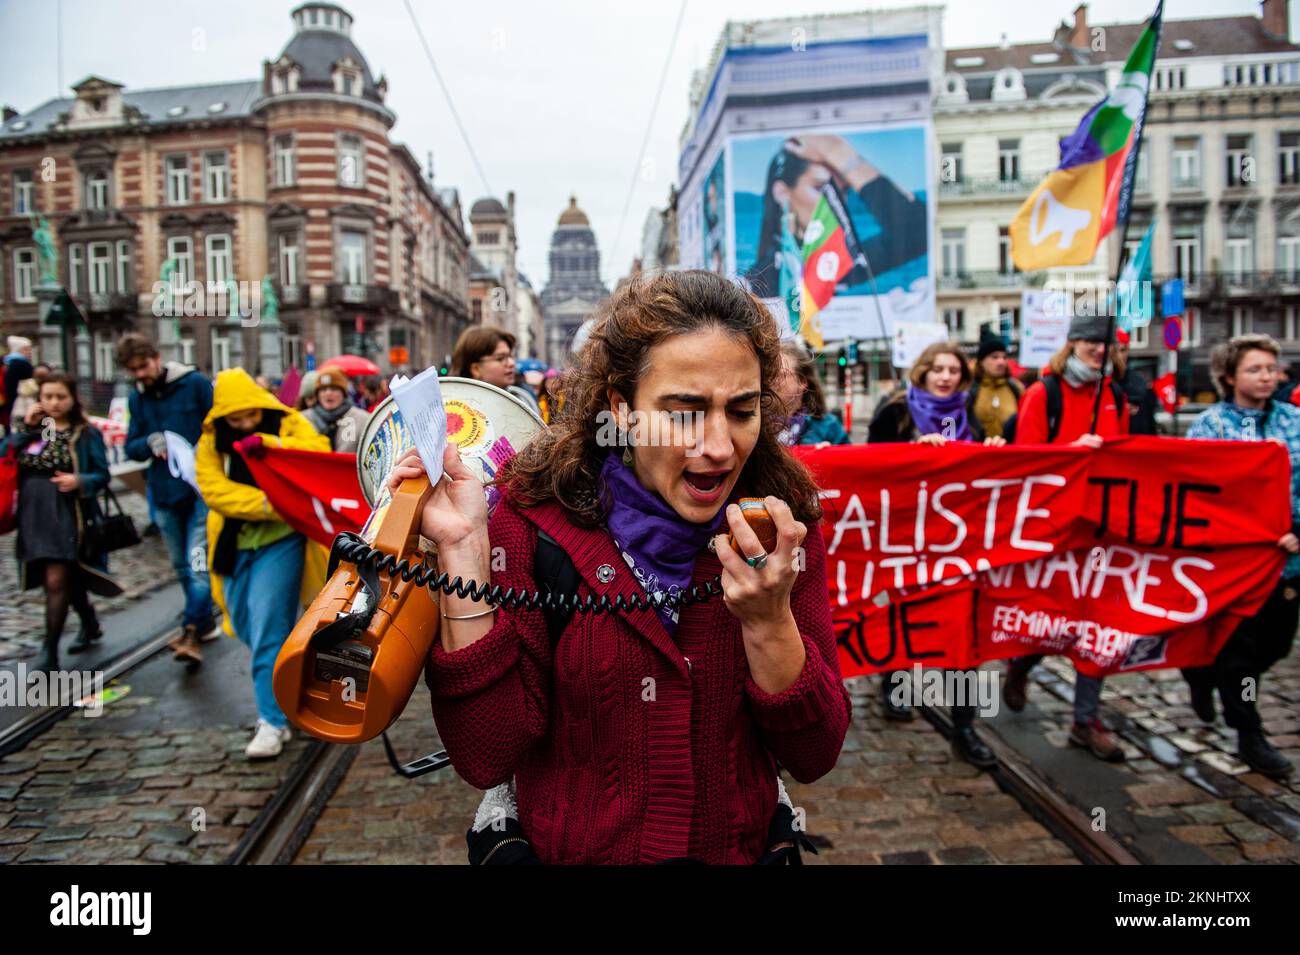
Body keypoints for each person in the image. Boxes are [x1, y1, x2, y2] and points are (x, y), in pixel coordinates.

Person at [391, 269, 851, 863]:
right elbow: (488, 752)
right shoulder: (530, 526)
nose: (716, 446)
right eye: (682, 411)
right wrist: (461, 555)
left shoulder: (781, 526)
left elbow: (815, 754)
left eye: (740, 411)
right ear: (621, 408)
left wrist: (769, 622)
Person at [865, 341, 1003, 767]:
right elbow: (869, 468)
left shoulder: (970, 420)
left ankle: (964, 727)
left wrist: (996, 456)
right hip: (906, 544)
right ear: (923, 372)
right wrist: (910, 455)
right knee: (903, 618)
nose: (946, 377)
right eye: (938, 369)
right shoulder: (895, 412)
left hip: (956, 550)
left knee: (961, 634)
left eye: (954, 370)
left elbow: (979, 480)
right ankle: (894, 682)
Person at [1005, 313, 1130, 762]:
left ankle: (1085, 719)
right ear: (1072, 343)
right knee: (1056, 617)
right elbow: (1027, 461)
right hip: (1056, 530)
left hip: (1102, 531)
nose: (1099, 351)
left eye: (1105, 344)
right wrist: (1072, 454)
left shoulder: (1114, 393)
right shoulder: (1046, 393)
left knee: (1097, 623)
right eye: (1090, 342)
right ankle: (1022, 664)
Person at [195, 369, 330, 758]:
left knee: (268, 627)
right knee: (243, 624)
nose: (242, 425)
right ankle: (293, 681)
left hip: (282, 544)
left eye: (249, 416)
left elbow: (314, 458)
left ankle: (272, 720)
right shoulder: (210, 442)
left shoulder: (288, 424)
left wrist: (269, 442)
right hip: (232, 546)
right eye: (234, 420)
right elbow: (215, 491)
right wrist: (274, 504)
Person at [1183, 335, 1298, 779]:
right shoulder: (1211, 426)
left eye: (1271, 368)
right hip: (1234, 566)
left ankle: (1202, 671)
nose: (1266, 376)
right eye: (1255, 369)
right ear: (1230, 376)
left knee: (1274, 645)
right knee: (1241, 654)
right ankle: (1249, 732)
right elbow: (1195, 488)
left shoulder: (1293, 422)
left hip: (1286, 563)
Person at [1, 373, 122, 671]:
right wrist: (27, 429)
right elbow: (4, 453)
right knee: (65, 578)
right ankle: (89, 620)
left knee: (57, 580)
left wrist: (80, 480)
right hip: (34, 515)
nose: (54, 403)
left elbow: (102, 474)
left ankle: (49, 650)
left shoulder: (85, 433)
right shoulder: (33, 431)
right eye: (48, 397)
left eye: (60, 397)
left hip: (70, 515)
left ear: (72, 399)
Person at [118, 333, 217, 663]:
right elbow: (130, 445)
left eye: (143, 366)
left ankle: (191, 629)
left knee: (197, 561)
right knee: (180, 564)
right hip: (163, 492)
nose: (140, 374)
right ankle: (201, 620)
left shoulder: (194, 385)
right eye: (133, 370)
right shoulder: (137, 398)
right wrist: (149, 442)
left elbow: (219, 426)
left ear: (157, 358)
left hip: (199, 489)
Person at [744, 134, 927, 301]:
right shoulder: (757, 281)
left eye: (843, 192)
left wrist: (840, 155)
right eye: (821, 188)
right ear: (782, 192)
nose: (835, 202)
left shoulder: (848, 262)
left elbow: (917, 232)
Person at [774, 339, 851, 447]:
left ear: (802, 381)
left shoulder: (828, 427)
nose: (773, 380)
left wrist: (831, 455)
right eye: (770, 374)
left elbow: (850, 460)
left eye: (782, 375)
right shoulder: (758, 425)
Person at [452, 325, 541, 413]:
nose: (511, 363)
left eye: (510, 356)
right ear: (476, 369)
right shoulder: (454, 406)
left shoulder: (523, 400)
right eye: (500, 358)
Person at [968, 329, 1023, 440]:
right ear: (981, 362)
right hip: (979, 453)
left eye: (1004, 357)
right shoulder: (969, 389)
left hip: (1009, 453)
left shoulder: (1016, 388)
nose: (1001, 362)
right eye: (995, 357)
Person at [304, 364, 370, 453]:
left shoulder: (362, 419)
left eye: (334, 389)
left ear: (343, 393)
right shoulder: (303, 419)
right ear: (317, 394)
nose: (328, 393)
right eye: (323, 390)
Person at [1112, 330, 1158, 435]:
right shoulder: (1098, 381)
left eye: (1122, 350)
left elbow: (1148, 423)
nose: (1119, 356)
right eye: (1115, 351)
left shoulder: (1139, 382)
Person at [2, 335, 36, 434]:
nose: (30, 352)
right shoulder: (21, 364)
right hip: (22, 403)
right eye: (26, 349)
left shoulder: (10, 363)